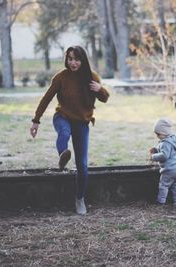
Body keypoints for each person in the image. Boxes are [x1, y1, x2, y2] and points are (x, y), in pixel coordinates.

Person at [30, 46, 110, 215]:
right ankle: (63, 155)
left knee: (82, 164)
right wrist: (36, 120)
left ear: (83, 60)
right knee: (64, 133)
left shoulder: (91, 77)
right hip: (62, 117)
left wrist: (100, 89)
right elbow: (46, 99)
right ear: (66, 59)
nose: (73, 63)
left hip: (81, 122)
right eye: (70, 59)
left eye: (77, 59)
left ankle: (80, 199)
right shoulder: (61, 77)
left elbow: (104, 98)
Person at [149, 118, 176, 207]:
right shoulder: (174, 139)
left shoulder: (165, 143)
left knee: (164, 185)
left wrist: (153, 156)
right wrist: (157, 149)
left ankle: (161, 201)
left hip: (170, 169)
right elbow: (168, 150)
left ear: (164, 132)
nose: (157, 136)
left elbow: (164, 155)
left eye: (158, 134)